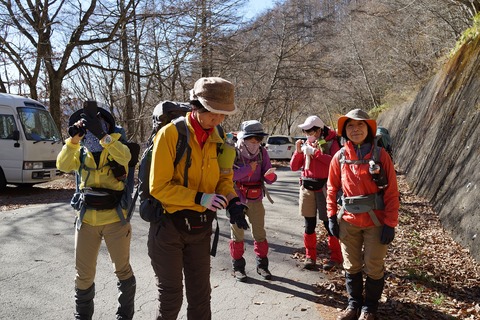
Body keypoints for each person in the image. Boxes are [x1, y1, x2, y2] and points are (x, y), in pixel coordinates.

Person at [147, 77, 249, 320]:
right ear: (197, 106)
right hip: (168, 227)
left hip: (200, 229)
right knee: (171, 297)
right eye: (214, 113)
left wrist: (233, 202)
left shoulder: (218, 137)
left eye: (223, 115)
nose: (218, 120)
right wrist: (200, 198)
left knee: (201, 296)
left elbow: (224, 179)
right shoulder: (170, 135)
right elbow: (158, 187)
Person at [56, 101, 135, 320]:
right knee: (83, 276)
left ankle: (124, 316)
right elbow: (62, 165)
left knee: (123, 270)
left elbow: (126, 158)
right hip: (87, 221)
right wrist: (73, 140)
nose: (91, 130)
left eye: (97, 124)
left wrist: (102, 136)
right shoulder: (79, 150)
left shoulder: (116, 143)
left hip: (116, 221)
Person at [326, 109, 399, 320]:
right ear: (344, 130)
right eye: (350, 126)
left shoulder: (380, 155)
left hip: (376, 221)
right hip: (348, 220)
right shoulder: (339, 157)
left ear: (368, 129)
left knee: (374, 267)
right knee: (351, 265)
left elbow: (392, 191)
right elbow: (331, 188)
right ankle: (353, 305)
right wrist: (331, 216)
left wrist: (390, 223)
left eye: (360, 125)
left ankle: (370, 309)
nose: (355, 129)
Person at [289, 115, 343, 270]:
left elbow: (336, 162)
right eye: (305, 131)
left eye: (310, 130)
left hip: (325, 187)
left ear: (319, 130)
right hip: (307, 186)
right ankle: (310, 256)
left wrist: (316, 153)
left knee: (328, 223)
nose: (308, 134)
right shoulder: (306, 143)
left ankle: (336, 257)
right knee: (309, 224)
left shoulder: (332, 142)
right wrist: (299, 152)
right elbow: (293, 167)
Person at [230, 120, 277, 282]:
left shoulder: (262, 153)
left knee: (259, 233)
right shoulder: (233, 152)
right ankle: (238, 268)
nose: (255, 143)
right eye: (251, 139)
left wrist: (270, 176)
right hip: (236, 199)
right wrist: (247, 169)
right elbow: (226, 176)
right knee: (237, 234)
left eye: (258, 140)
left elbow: (269, 177)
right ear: (243, 138)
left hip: (256, 198)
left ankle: (262, 266)